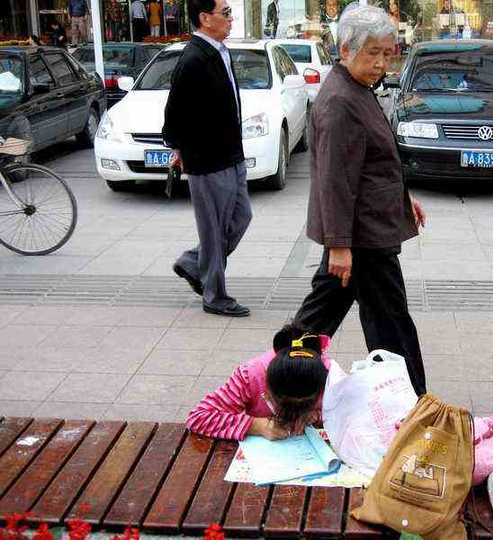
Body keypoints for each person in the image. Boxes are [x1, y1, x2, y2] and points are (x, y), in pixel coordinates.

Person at [292, 5, 427, 397]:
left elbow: (370, 165)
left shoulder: (355, 90)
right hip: (362, 238)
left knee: (321, 318)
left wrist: (404, 201)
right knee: (392, 326)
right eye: (373, 53)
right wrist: (338, 245)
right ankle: (413, 402)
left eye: (387, 54)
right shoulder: (340, 102)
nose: (382, 63)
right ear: (346, 48)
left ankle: (285, 375)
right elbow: (334, 181)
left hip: (364, 231)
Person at [163, 0, 253, 317]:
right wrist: (177, 149)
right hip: (208, 159)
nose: (231, 19)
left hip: (231, 154)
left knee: (242, 218)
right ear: (204, 18)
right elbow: (174, 113)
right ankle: (214, 295)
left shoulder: (219, 52)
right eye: (225, 13)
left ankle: (192, 262)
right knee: (214, 232)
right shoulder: (193, 59)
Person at [186, 325, 335, 440]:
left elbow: (351, 417)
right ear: (267, 388)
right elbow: (198, 417)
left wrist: (317, 415)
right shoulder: (250, 376)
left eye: (304, 405)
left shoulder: (331, 377)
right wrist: (255, 425)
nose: (294, 413)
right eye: (286, 405)